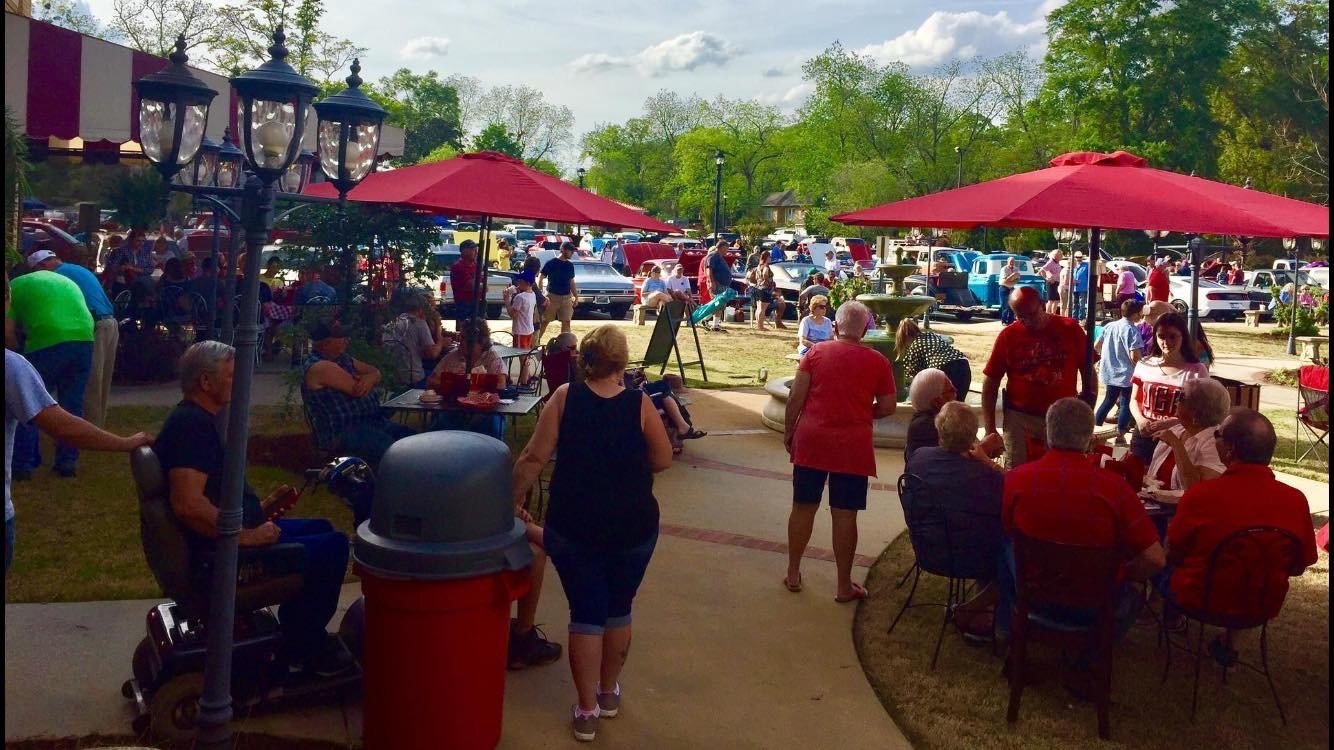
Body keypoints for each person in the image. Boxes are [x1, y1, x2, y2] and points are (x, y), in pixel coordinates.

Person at [509, 326, 673, 742]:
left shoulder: (566, 398)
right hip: (633, 526)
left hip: (575, 525)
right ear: (621, 362)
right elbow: (663, 458)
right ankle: (608, 694)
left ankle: (586, 711)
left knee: (586, 613)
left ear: (584, 358)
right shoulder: (639, 404)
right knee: (619, 607)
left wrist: (510, 501)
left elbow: (533, 457)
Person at [157, 340, 351, 675]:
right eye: (231, 376)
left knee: (321, 528)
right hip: (224, 554)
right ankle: (304, 648)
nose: (239, 382)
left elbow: (208, 495)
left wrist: (258, 508)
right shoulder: (192, 426)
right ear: (205, 382)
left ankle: (297, 631)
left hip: (226, 538)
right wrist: (247, 535)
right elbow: (188, 505)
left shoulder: (194, 419)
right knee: (332, 548)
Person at [4, 281, 152, 574]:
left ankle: (28, 465)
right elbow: (63, 427)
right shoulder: (10, 367)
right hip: (82, 339)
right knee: (51, 404)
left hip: (52, 342)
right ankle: (61, 463)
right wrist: (125, 443)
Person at [999, 397, 1165, 645]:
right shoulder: (1115, 489)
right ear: (1090, 438)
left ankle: (1006, 629)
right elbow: (1155, 559)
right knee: (1132, 595)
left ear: (1047, 433)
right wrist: (1121, 575)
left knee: (1003, 547)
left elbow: (1007, 533)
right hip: (1096, 604)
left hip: (1032, 596)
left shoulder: (1016, 480)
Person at [783, 301, 896, 602]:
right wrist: (861, 411)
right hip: (852, 446)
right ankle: (843, 585)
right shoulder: (878, 362)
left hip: (812, 440)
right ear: (865, 329)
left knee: (803, 506)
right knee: (845, 515)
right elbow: (887, 407)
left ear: (835, 326)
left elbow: (795, 397)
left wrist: (789, 430)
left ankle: (793, 572)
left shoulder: (815, 354)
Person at [1164, 409, 1318, 626]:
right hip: (1261, 605)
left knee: (1156, 567)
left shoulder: (1201, 495)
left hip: (1201, 600)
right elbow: (1299, 565)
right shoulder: (1296, 500)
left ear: (1230, 449)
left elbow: (1173, 554)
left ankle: (1171, 623)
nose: (1214, 438)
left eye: (1217, 435)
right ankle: (1230, 644)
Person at [907, 401, 1005, 634]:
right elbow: (1011, 494)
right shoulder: (984, 476)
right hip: (968, 558)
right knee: (1017, 560)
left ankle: (981, 610)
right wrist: (987, 461)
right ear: (973, 434)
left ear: (939, 430)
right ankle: (971, 610)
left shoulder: (919, 459)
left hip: (926, 547)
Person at [981, 286, 1090, 469]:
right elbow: (990, 382)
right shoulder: (1008, 335)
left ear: (1043, 304)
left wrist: (1087, 410)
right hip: (1019, 417)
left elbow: (1088, 372)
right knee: (1016, 470)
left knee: (1060, 470)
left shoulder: (1070, 329)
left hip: (1062, 418)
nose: (1027, 321)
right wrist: (990, 428)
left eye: (1031, 314)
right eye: (1020, 316)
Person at [9, 258, 96, 479]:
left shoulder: (14, 287)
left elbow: (8, 334)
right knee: (72, 403)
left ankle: (23, 465)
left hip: (48, 340)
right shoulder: (61, 279)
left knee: (31, 402)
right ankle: (67, 463)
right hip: (84, 338)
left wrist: (18, 354)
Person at [302, 320, 415, 468]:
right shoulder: (319, 366)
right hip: (344, 431)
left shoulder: (343, 359)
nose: (346, 340)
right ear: (325, 343)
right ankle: (389, 486)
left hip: (371, 421)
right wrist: (368, 379)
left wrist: (369, 377)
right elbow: (357, 390)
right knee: (392, 451)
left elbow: (375, 372)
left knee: (414, 440)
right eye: (341, 338)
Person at [26, 250, 118, 428]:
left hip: (93, 326)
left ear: (42, 266)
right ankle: (97, 425)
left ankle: (85, 431)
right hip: (110, 322)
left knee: (90, 383)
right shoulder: (77, 269)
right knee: (102, 382)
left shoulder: (55, 277)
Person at [1127, 312, 1210, 463]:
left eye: (1172, 336)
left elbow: (1201, 411)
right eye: (1161, 336)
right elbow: (1134, 399)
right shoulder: (1144, 365)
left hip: (1178, 439)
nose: (1166, 342)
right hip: (1144, 436)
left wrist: (1170, 423)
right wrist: (1140, 420)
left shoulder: (1197, 371)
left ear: (1183, 337)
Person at [427, 318, 508, 440]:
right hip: (454, 408)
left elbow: (500, 384)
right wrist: (452, 384)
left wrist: (474, 385)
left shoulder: (492, 357)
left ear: (480, 340)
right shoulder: (452, 356)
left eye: (465, 338)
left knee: (493, 424)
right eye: (461, 337)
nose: (461, 342)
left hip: (484, 411)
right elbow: (431, 380)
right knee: (439, 424)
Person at [1093, 299, 1145, 445]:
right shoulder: (1133, 331)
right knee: (1125, 404)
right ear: (1135, 314)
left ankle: (1096, 428)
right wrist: (1142, 366)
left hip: (1109, 371)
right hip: (1126, 374)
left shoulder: (1109, 326)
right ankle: (1120, 435)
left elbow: (1097, 346)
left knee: (1108, 400)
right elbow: (1135, 356)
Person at [895, 317, 970, 402]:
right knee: (958, 403)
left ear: (905, 337)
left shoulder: (914, 346)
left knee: (941, 406)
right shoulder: (931, 335)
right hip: (963, 364)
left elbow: (914, 377)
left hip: (946, 369)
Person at [381, 293, 444, 389]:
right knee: (442, 377)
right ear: (421, 309)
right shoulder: (419, 323)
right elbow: (432, 354)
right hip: (412, 380)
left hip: (392, 378)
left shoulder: (392, 323)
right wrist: (440, 340)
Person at [904, 368, 956, 463]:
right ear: (936, 401)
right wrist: (983, 448)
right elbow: (952, 461)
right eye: (951, 390)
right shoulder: (928, 426)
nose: (956, 392)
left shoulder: (923, 420)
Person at [539, 242, 579, 340]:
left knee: (566, 322)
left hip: (566, 298)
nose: (572, 253)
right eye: (571, 251)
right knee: (545, 321)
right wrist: (541, 293)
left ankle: (565, 346)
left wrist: (576, 296)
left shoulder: (570, 265)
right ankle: (535, 342)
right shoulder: (551, 262)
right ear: (563, 250)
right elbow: (541, 276)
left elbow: (571, 281)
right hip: (552, 297)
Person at [508, 271, 538, 386]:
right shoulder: (533, 294)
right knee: (526, 355)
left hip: (520, 330)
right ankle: (526, 376)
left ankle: (524, 381)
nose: (518, 284)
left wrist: (507, 299)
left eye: (520, 282)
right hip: (528, 329)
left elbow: (512, 314)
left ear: (526, 283)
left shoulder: (520, 297)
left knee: (523, 358)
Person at [704, 241, 733, 333]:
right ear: (722, 247)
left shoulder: (719, 257)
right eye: (726, 248)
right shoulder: (713, 256)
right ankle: (706, 321)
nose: (727, 251)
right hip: (717, 283)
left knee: (720, 305)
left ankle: (713, 324)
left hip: (723, 285)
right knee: (717, 304)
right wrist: (712, 282)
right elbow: (709, 270)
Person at [450, 239, 482, 325]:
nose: (476, 252)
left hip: (476, 301)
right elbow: (471, 285)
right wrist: (480, 286)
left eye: (476, 250)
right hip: (464, 302)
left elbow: (482, 285)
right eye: (473, 250)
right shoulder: (458, 266)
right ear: (465, 251)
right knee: (465, 326)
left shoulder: (475, 265)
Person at [999, 257, 1021, 325]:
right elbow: (1005, 280)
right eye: (1010, 261)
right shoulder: (1004, 269)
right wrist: (1013, 276)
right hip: (1004, 288)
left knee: (1012, 305)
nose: (1012, 263)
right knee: (1005, 305)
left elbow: (1018, 279)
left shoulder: (1016, 269)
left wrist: (1011, 280)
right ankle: (1004, 321)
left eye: (1013, 261)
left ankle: (1010, 321)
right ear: (1007, 262)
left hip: (1012, 288)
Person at [1040, 250, 1064, 314]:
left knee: (1056, 300)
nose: (1061, 256)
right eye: (1060, 255)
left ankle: (1053, 314)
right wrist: (1047, 278)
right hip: (1051, 283)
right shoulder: (1051, 262)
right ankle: (1047, 314)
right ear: (1056, 255)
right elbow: (1042, 270)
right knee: (1050, 300)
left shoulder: (1057, 263)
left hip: (1057, 283)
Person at [1071, 251, 1090, 320]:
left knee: (1082, 304)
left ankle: (1081, 318)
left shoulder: (1086, 265)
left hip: (1083, 287)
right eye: (1077, 257)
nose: (1078, 258)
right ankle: (1074, 318)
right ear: (1074, 258)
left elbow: (1089, 276)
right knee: (1074, 304)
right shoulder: (1073, 266)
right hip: (1074, 288)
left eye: (1080, 257)